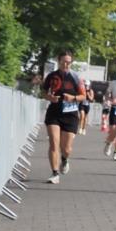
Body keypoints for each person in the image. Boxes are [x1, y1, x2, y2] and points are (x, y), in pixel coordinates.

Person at [42, 52, 86, 184]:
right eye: (63, 62)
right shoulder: (52, 76)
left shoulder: (76, 77)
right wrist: (50, 97)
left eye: (68, 62)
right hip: (54, 112)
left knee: (66, 149)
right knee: (54, 143)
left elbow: (83, 96)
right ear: (59, 60)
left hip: (71, 114)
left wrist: (73, 98)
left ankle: (65, 159)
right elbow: (43, 92)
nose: (66, 64)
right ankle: (54, 173)